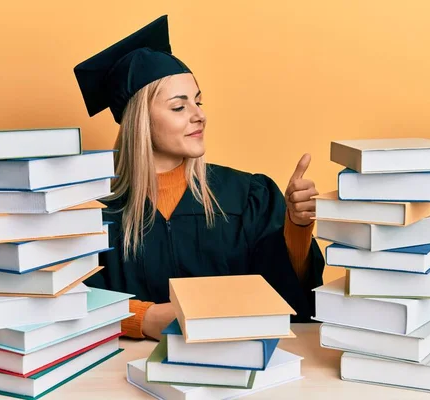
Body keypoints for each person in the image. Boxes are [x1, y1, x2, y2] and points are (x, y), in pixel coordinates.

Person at [74, 15, 325, 341]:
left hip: (236, 365)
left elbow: (289, 302)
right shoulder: (94, 210)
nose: (199, 115)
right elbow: (67, 303)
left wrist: (297, 227)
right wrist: (141, 318)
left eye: (198, 101)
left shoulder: (246, 194)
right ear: (140, 121)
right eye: (179, 107)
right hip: (119, 374)